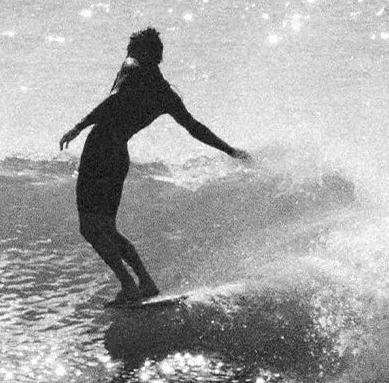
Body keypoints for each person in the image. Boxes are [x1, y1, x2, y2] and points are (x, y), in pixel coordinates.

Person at [56, 26, 247, 303]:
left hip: (100, 150)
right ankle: (145, 282)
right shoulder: (165, 94)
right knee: (108, 227)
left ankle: (128, 285)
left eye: (131, 49)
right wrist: (230, 150)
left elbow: (113, 101)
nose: (127, 54)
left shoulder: (131, 67)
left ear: (142, 52)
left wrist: (78, 126)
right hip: (119, 154)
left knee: (90, 227)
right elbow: (194, 128)